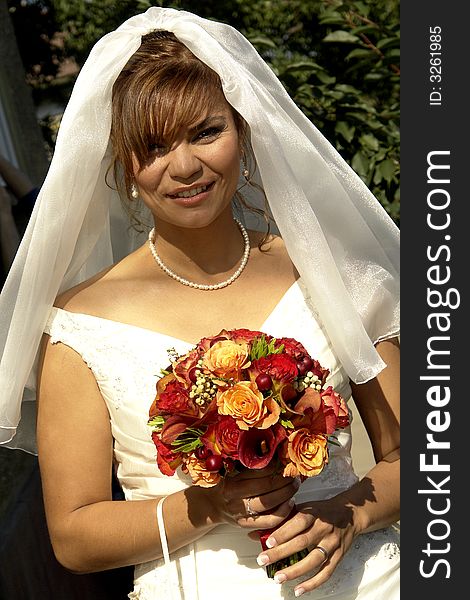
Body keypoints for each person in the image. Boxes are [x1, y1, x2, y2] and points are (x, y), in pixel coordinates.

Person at [0, 7, 400, 600]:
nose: (184, 166)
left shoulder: (326, 275)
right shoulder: (79, 323)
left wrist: (348, 515)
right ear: (121, 160)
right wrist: (207, 504)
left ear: (244, 129)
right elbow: (75, 534)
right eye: (154, 145)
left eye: (206, 132)